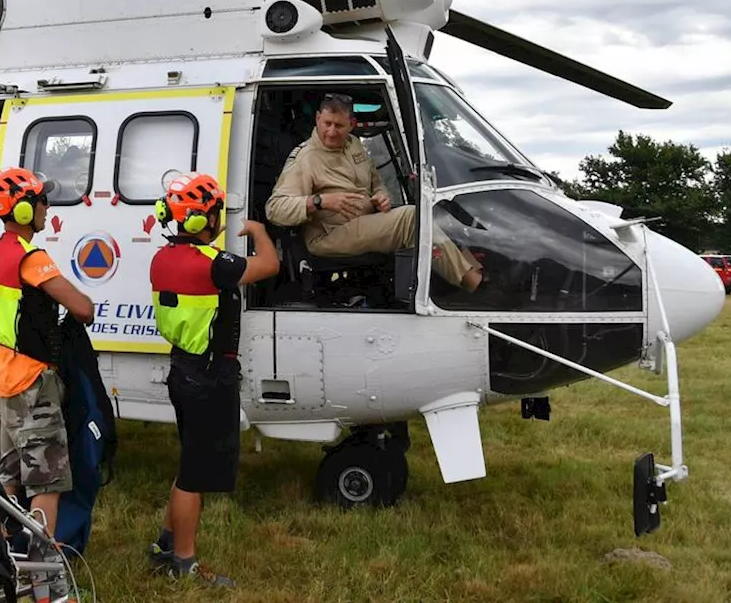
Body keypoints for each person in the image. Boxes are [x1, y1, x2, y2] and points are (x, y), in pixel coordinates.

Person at [146, 171, 280, 588]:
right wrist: (258, 230)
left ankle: (165, 545)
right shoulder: (214, 264)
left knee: (191, 460)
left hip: (183, 368)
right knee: (194, 475)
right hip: (209, 375)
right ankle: (184, 564)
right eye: (215, 212)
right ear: (202, 221)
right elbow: (270, 265)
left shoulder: (162, 257)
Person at [0, 167, 94, 569]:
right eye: (41, 200)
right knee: (46, 478)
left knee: (10, 470)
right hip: (32, 381)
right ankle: (43, 561)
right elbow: (82, 308)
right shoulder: (31, 256)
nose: (47, 207)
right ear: (24, 211)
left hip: (5, 375)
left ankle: (8, 546)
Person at [264, 92, 483, 292]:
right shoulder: (305, 157)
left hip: (365, 220)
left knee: (436, 213)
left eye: (339, 126)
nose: (331, 132)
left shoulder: (354, 145)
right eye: (327, 124)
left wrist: (382, 196)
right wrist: (319, 201)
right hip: (328, 235)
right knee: (411, 219)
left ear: (352, 124)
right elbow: (275, 209)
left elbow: (375, 183)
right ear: (317, 119)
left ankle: (476, 272)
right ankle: (473, 288)